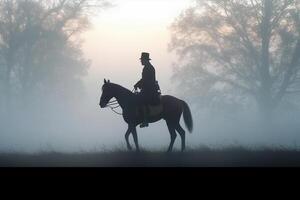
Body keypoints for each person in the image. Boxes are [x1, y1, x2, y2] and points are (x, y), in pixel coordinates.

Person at [134, 52, 161, 128]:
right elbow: (144, 79)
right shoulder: (147, 67)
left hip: (150, 90)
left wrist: (139, 84)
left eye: (142, 60)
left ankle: (145, 120)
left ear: (145, 60)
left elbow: (147, 80)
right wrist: (137, 84)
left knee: (141, 100)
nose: (141, 61)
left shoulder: (148, 68)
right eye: (141, 60)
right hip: (148, 89)